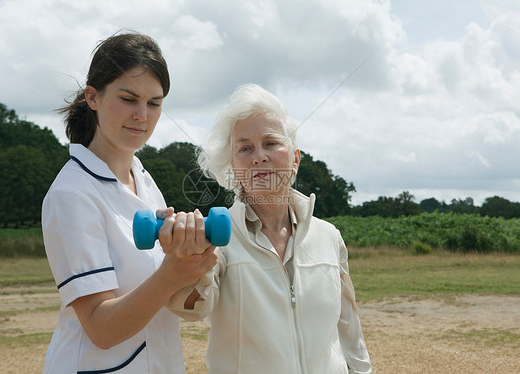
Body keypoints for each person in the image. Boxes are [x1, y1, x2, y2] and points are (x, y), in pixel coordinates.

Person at [41, 32, 217, 373]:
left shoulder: (144, 181)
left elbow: (162, 295)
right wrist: (173, 272)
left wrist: (192, 259)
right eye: (128, 98)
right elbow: (101, 328)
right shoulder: (71, 194)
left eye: (154, 103)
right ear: (92, 97)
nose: (142, 115)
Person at [168, 83, 372, 373]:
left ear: (295, 159)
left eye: (271, 143)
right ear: (233, 167)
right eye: (245, 148)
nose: (259, 156)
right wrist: (189, 259)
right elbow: (191, 308)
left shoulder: (329, 237)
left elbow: (349, 330)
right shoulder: (217, 240)